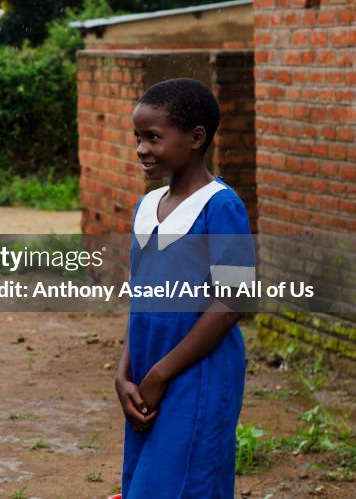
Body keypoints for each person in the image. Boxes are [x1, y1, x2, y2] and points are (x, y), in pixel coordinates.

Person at [115, 78, 255, 498]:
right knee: (147, 480)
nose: (141, 149)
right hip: (146, 373)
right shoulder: (146, 207)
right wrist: (125, 374)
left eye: (153, 138)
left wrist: (161, 373)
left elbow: (232, 301)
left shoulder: (220, 206)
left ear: (196, 138)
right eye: (137, 137)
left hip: (198, 374)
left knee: (187, 481)